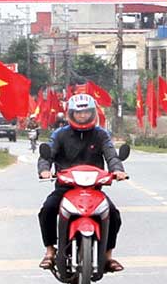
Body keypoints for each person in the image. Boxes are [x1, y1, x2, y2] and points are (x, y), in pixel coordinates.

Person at [36, 92, 126, 272]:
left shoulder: (101, 135)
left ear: (93, 113)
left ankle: (108, 256)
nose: (82, 116)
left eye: (86, 112)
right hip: (65, 188)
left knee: (114, 214)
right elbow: (47, 155)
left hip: (94, 189)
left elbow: (111, 155)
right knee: (47, 210)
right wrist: (44, 170)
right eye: (78, 112)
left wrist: (117, 170)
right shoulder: (60, 134)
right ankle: (50, 251)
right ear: (71, 113)